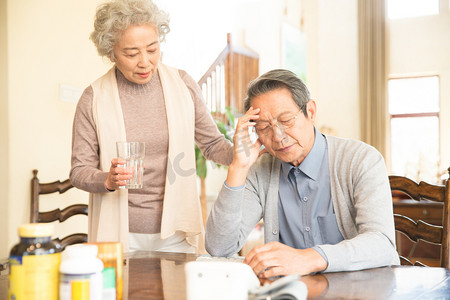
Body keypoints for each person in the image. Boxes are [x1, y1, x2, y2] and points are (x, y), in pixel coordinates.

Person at [70, 0, 233, 253]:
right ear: (111, 53)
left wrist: (244, 152)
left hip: (176, 232)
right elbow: (79, 170)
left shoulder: (183, 84)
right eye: (132, 53)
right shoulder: (94, 97)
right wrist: (108, 179)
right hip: (119, 234)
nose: (145, 62)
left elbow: (213, 145)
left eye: (152, 49)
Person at [205, 69, 399, 277]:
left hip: (361, 290)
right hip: (292, 291)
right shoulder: (260, 169)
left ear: (311, 112)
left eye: (286, 120)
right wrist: (238, 167)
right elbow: (219, 248)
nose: (278, 136)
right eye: (263, 127)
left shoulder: (361, 159)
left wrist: (310, 258)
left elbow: (382, 243)